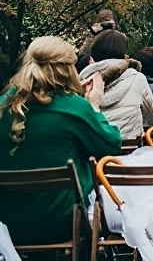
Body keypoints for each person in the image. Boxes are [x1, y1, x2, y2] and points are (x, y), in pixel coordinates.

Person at [0, 37, 122, 246]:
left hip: (7, 224)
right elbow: (112, 145)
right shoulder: (74, 107)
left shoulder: (4, 105)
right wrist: (92, 105)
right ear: (67, 69)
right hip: (62, 223)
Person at [79, 29, 153, 138]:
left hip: (94, 150)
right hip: (131, 150)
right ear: (124, 54)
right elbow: (151, 113)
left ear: (93, 54)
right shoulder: (136, 78)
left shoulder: (82, 83)